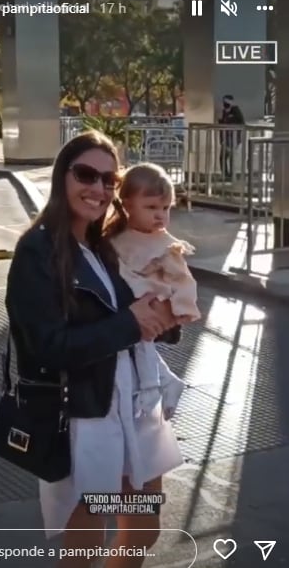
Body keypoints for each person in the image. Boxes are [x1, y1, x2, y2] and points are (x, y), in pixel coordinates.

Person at [5, 131, 185, 567]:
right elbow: (46, 347)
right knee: (85, 546)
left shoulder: (108, 245)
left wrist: (166, 318)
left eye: (109, 179)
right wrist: (130, 323)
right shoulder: (37, 251)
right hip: (86, 421)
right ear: (62, 176)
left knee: (143, 528)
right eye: (86, 174)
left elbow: (141, 314)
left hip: (137, 412)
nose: (98, 188)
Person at [104, 163, 200, 418]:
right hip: (128, 304)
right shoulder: (117, 236)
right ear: (127, 205)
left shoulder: (164, 244)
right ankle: (166, 382)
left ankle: (152, 391)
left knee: (143, 346)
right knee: (136, 348)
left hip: (151, 302)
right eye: (151, 207)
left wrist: (182, 308)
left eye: (165, 208)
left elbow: (183, 279)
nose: (160, 215)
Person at [218, 94, 245, 179]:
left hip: (233, 137)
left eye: (226, 102)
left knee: (230, 157)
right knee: (223, 157)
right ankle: (226, 174)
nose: (224, 103)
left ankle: (231, 175)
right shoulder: (225, 112)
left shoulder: (236, 111)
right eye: (224, 102)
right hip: (226, 137)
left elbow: (241, 122)